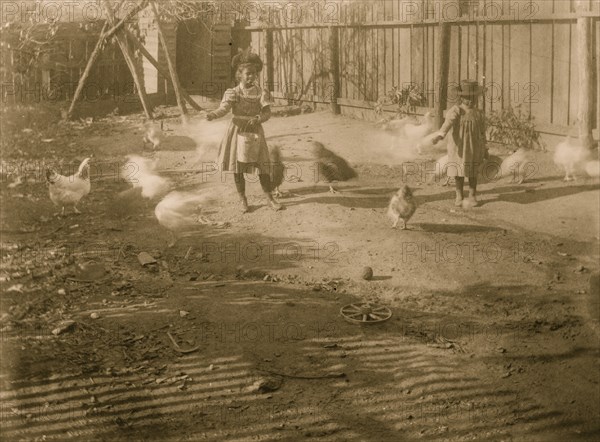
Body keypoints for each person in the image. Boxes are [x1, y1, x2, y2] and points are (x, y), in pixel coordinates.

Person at [205, 51, 282, 213]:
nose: (251, 77)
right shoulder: (232, 93)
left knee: (263, 165)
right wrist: (212, 115)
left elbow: (267, 113)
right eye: (247, 74)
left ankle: (269, 198)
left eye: (254, 74)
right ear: (239, 75)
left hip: (255, 131)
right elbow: (223, 109)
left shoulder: (261, 93)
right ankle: (243, 199)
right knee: (237, 166)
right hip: (236, 131)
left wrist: (259, 118)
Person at [433, 80, 488, 208]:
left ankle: (472, 195)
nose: (470, 101)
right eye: (467, 98)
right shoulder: (456, 111)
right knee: (458, 171)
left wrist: (485, 147)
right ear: (461, 98)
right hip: (458, 146)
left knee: (472, 171)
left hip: (473, 147)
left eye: (472, 98)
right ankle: (459, 194)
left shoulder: (478, 113)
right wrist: (440, 135)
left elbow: (482, 132)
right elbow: (447, 124)